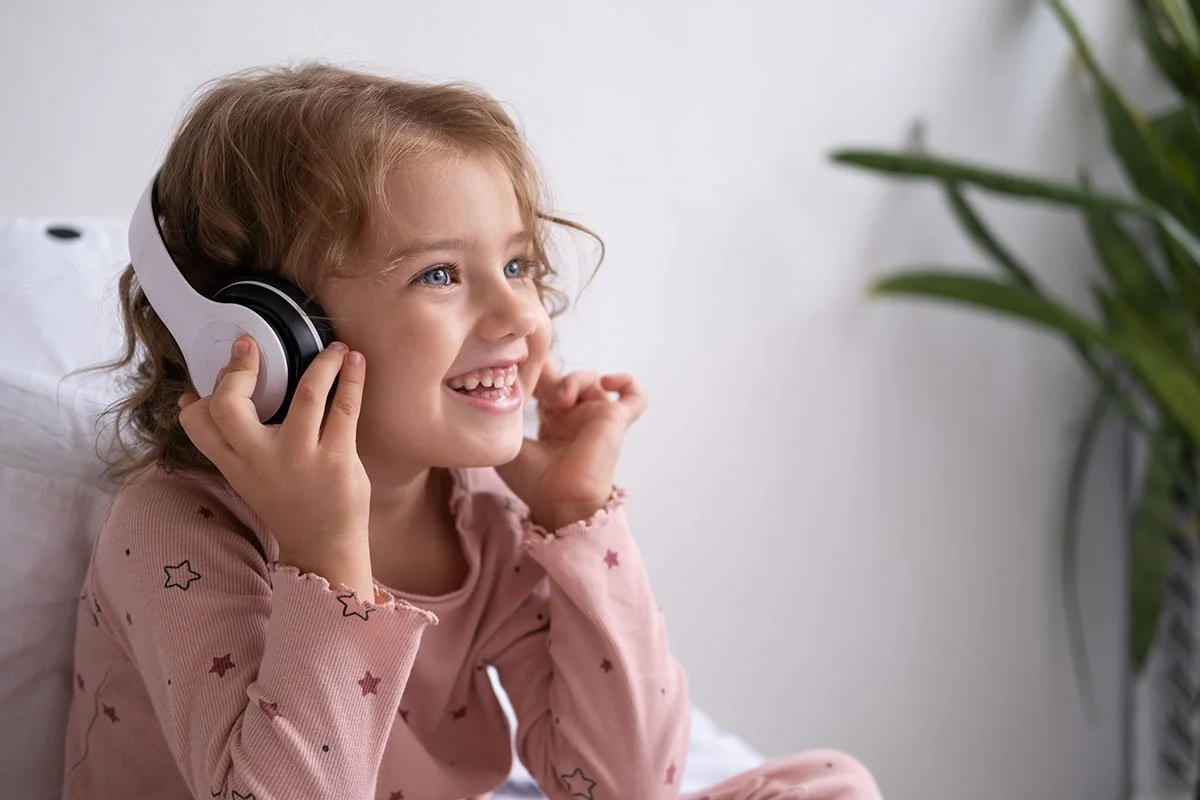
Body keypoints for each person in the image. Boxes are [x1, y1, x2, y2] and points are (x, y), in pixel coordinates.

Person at [62, 63, 883, 800]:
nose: (521, 314)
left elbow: (623, 786)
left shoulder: (481, 509)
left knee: (829, 787)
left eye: (519, 265)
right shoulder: (180, 530)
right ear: (266, 338)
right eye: (440, 274)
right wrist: (327, 559)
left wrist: (575, 512)